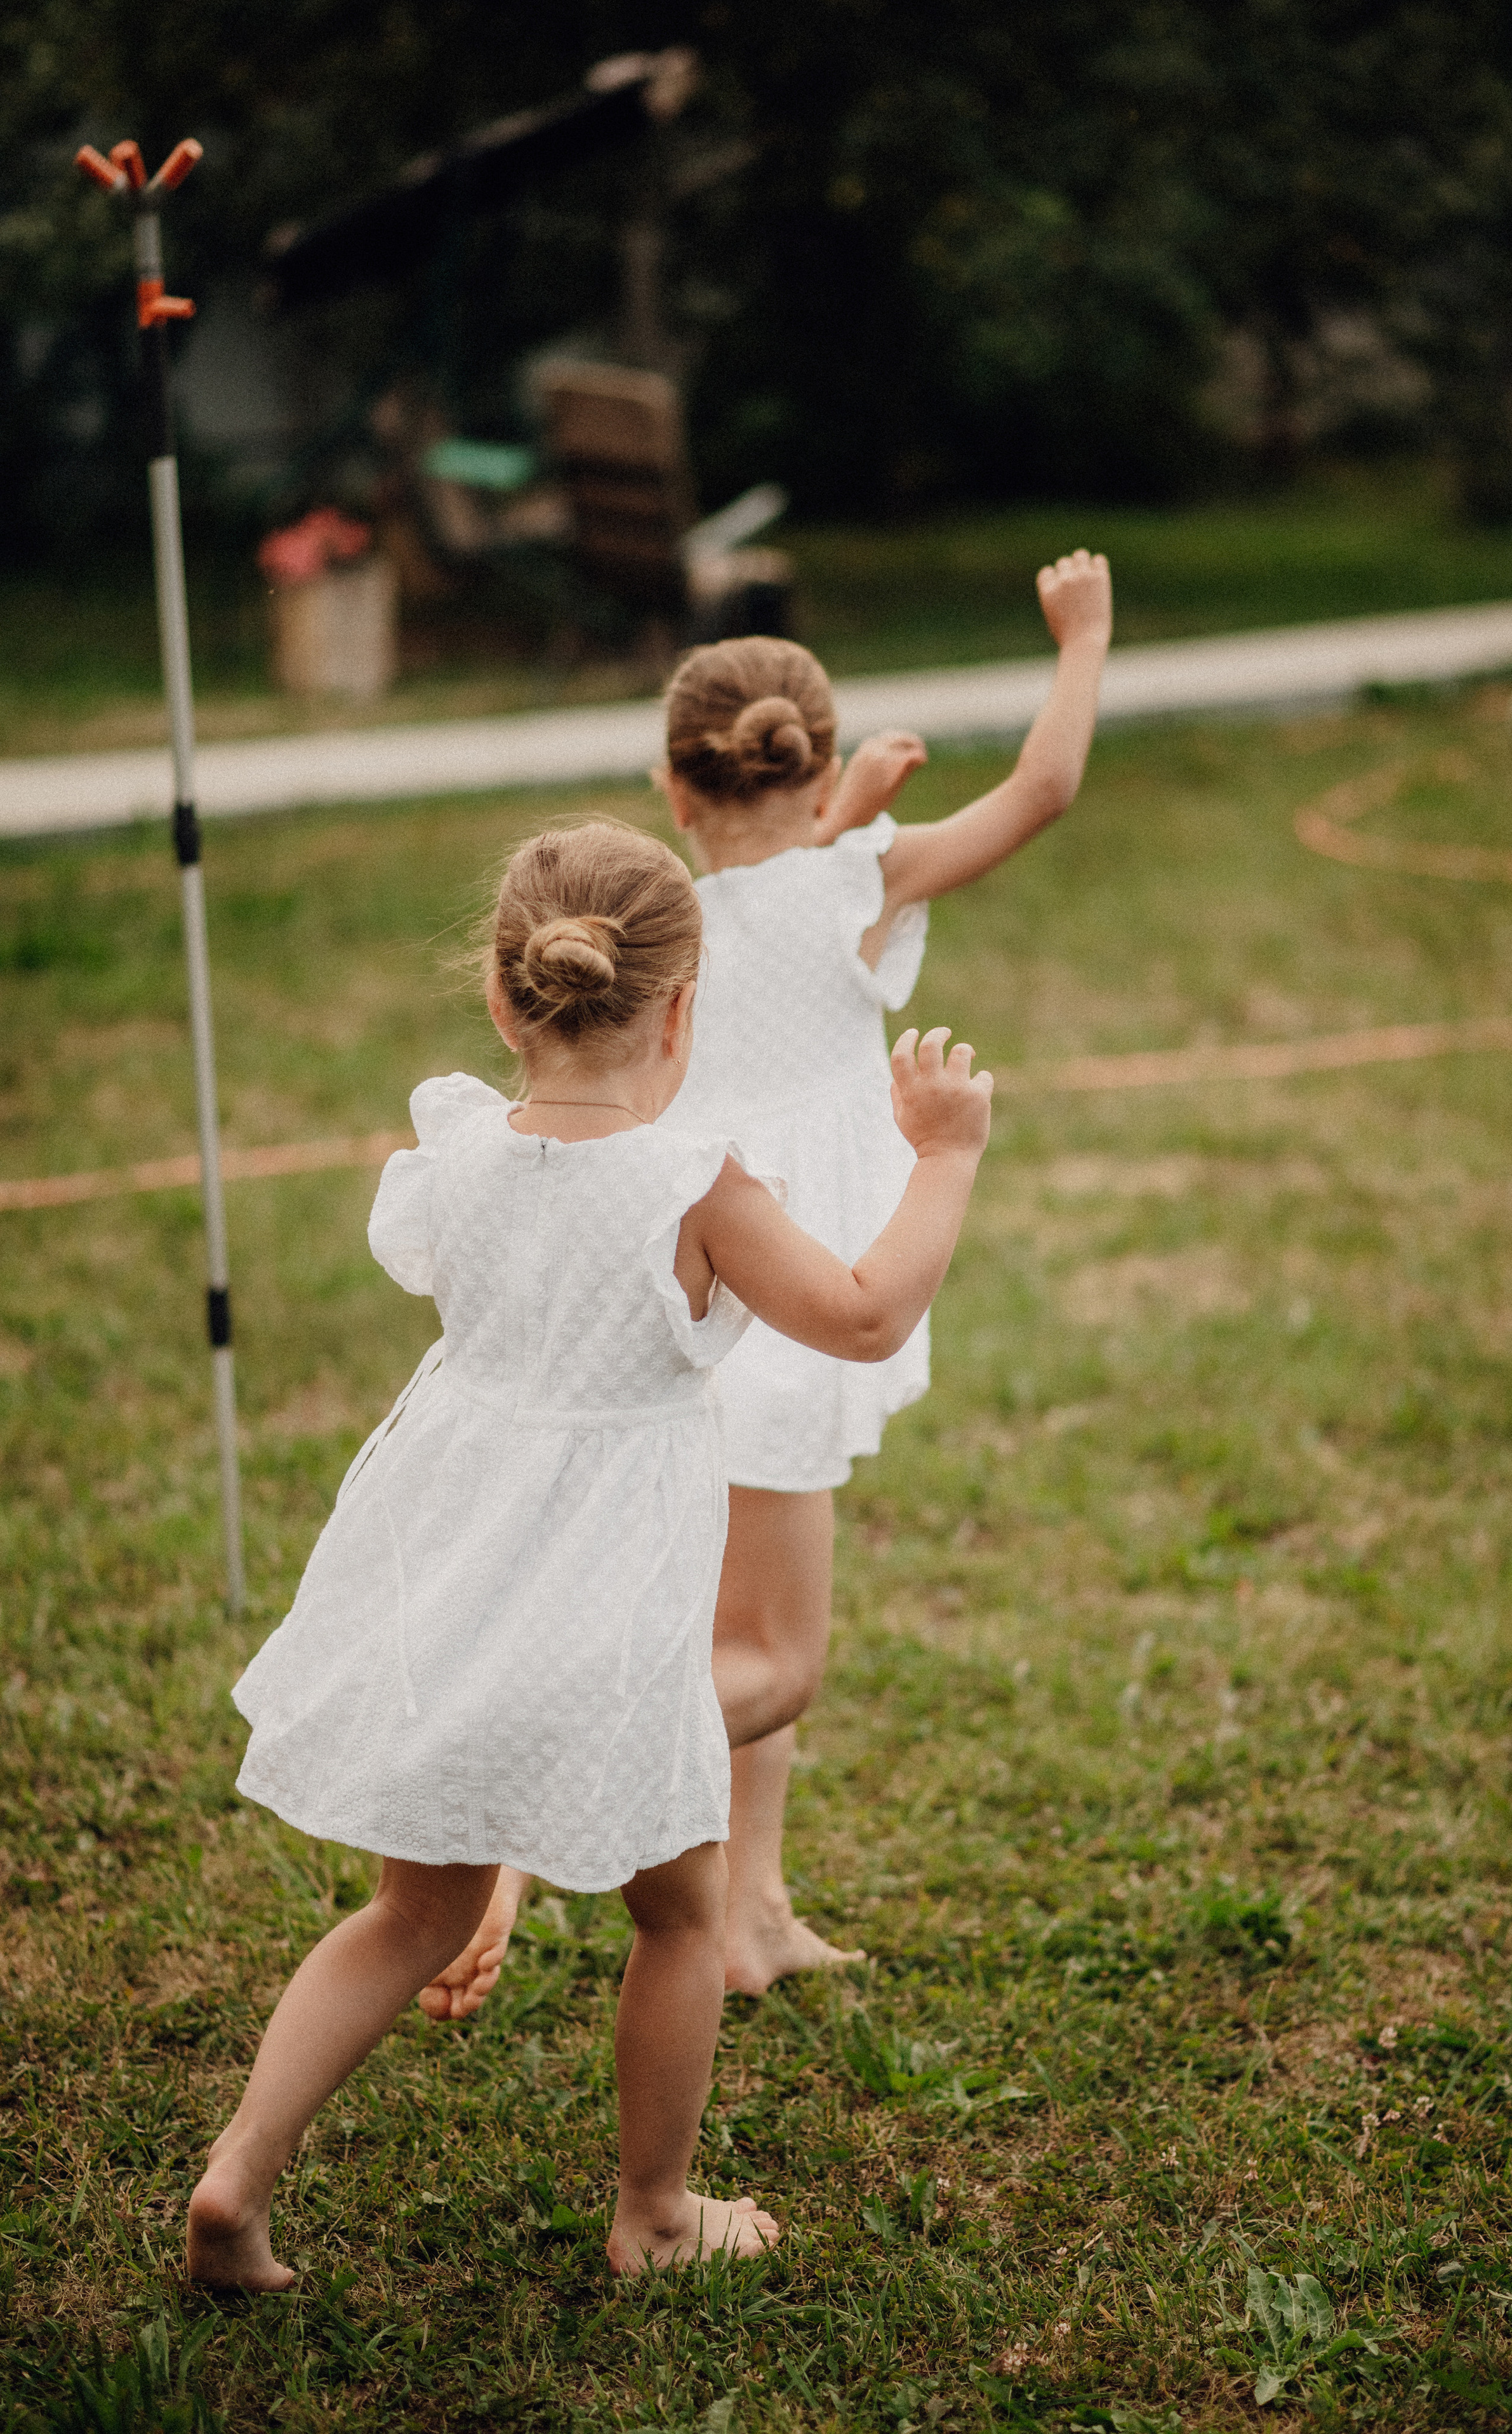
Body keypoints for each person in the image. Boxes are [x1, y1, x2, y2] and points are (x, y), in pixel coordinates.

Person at [185, 821, 993, 2291]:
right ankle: (656, 2215)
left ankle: (235, 2181)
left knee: (407, 1912)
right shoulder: (694, 1185)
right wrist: (940, 1155)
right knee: (680, 1918)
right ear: (684, 1011)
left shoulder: (458, 1151)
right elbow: (866, 1314)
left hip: (454, 1564)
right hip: (608, 1592)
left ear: (504, 1001)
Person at [417, 546, 1110, 2021]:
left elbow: (755, 896)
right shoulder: (849, 884)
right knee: (769, 1664)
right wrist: (1082, 634)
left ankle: (752, 1916)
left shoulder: (650, 921)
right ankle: (531, 1819)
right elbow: (1042, 794)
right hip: (796, 1304)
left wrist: (842, 809)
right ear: (816, 770)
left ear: (676, 789)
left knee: (728, 1627)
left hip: (676, 1301)